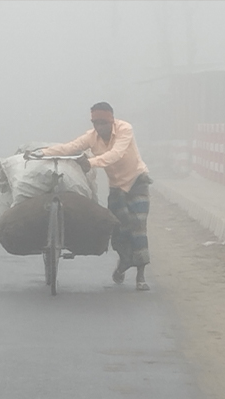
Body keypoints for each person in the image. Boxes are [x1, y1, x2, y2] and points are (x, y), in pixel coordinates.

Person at [32, 102, 152, 291]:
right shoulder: (91, 137)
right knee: (119, 229)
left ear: (111, 120)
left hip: (137, 182)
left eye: (103, 122)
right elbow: (69, 148)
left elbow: (116, 154)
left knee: (138, 226)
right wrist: (43, 153)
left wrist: (90, 162)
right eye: (95, 123)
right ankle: (124, 262)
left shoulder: (125, 129)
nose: (99, 127)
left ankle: (141, 276)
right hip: (116, 188)